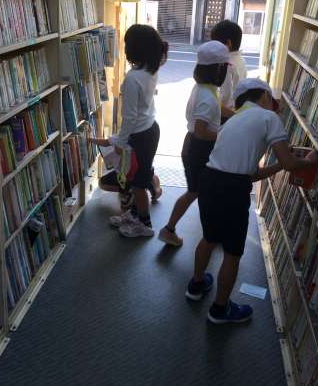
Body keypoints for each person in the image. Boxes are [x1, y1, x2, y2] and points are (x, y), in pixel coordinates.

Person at [185, 78, 318, 324]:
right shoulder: (269, 118)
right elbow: (290, 163)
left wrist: (278, 165)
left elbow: (253, 173)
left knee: (209, 238)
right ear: (265, 96)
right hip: (233, 189)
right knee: (232, 252)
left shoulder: (231, 122)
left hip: (210, 180)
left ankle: (196, 285)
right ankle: (220, 310)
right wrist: (309, 161)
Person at [91, 24, 166, 238]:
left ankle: (144, 224)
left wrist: (119, 143)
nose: (124, 48)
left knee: (138, 184)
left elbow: (130, 118)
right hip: (149, 129)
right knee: (136, 178)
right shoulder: (150, 69)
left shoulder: (133, 78)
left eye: (126, 43)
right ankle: (134, 215)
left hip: (139, 136)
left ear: (135, 48)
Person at [158, 41, 230, 247]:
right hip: (198, 149)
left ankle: (172, 229)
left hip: (193, 146)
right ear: (218, 69)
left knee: (198, 191)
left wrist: (238, 116)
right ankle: (170, 229)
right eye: (226, 67)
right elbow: (201, 131)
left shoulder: (203, 88)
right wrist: (224, 135)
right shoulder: (207, 96)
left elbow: (218, 109)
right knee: (196, 192)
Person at [211, 20, 247, 122]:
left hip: (224, 116)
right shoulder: (241, 60)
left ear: (228, 43)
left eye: (215, 43)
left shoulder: (226, 66)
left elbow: (224, 99)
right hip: (235, 110)